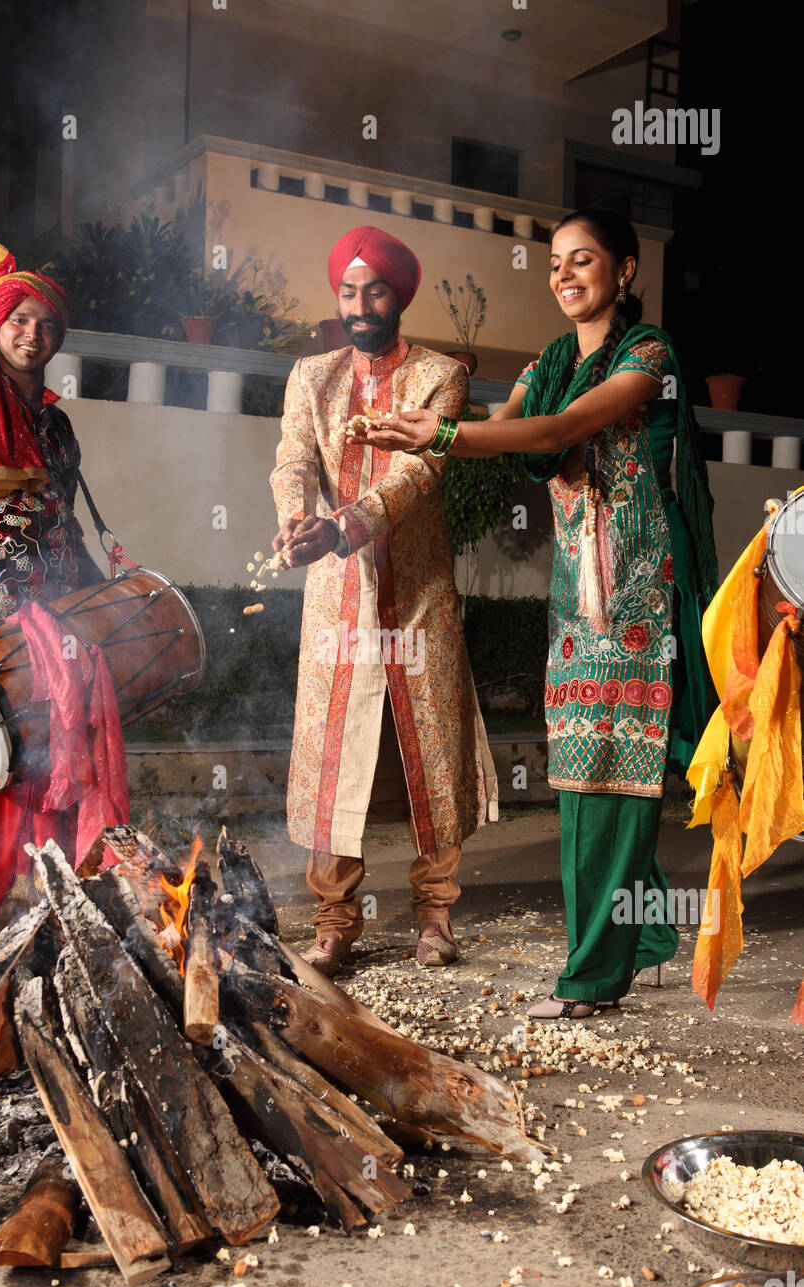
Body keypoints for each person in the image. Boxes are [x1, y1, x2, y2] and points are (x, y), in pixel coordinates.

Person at [362, 208, 717, 1017]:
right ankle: (648, 935)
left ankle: (592, 981)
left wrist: (443, 435)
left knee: (617, 776)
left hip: (637, 594)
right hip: (573, 603)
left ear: (625, 270)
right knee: (581, 776)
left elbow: (559, 429)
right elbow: (507, 430)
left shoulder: (648, 353)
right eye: (555, 263)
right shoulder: (554, 358)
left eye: (582, 260)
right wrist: (424, 431)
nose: (564, 275)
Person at [270, 224, 498, 976]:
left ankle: (434, 918)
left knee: (430, 746)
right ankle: (334, 923)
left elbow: (420, 473)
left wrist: (345, 526)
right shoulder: (313, 375)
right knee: (335, 752)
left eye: (375, 291)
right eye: (349, 291)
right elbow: (294, 458)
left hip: (419, 590)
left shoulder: (442, 372)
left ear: (398, 296)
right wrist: (298, 517)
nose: (361, 303)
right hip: (339, 597)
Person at [0, 237, 113, 956]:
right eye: (19, 321)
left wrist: (90, 601)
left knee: (49, 751)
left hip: (47, 611)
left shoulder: (55, 423)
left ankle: (41, 898)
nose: (33, 335)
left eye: (46, 326)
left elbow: (65, 515)